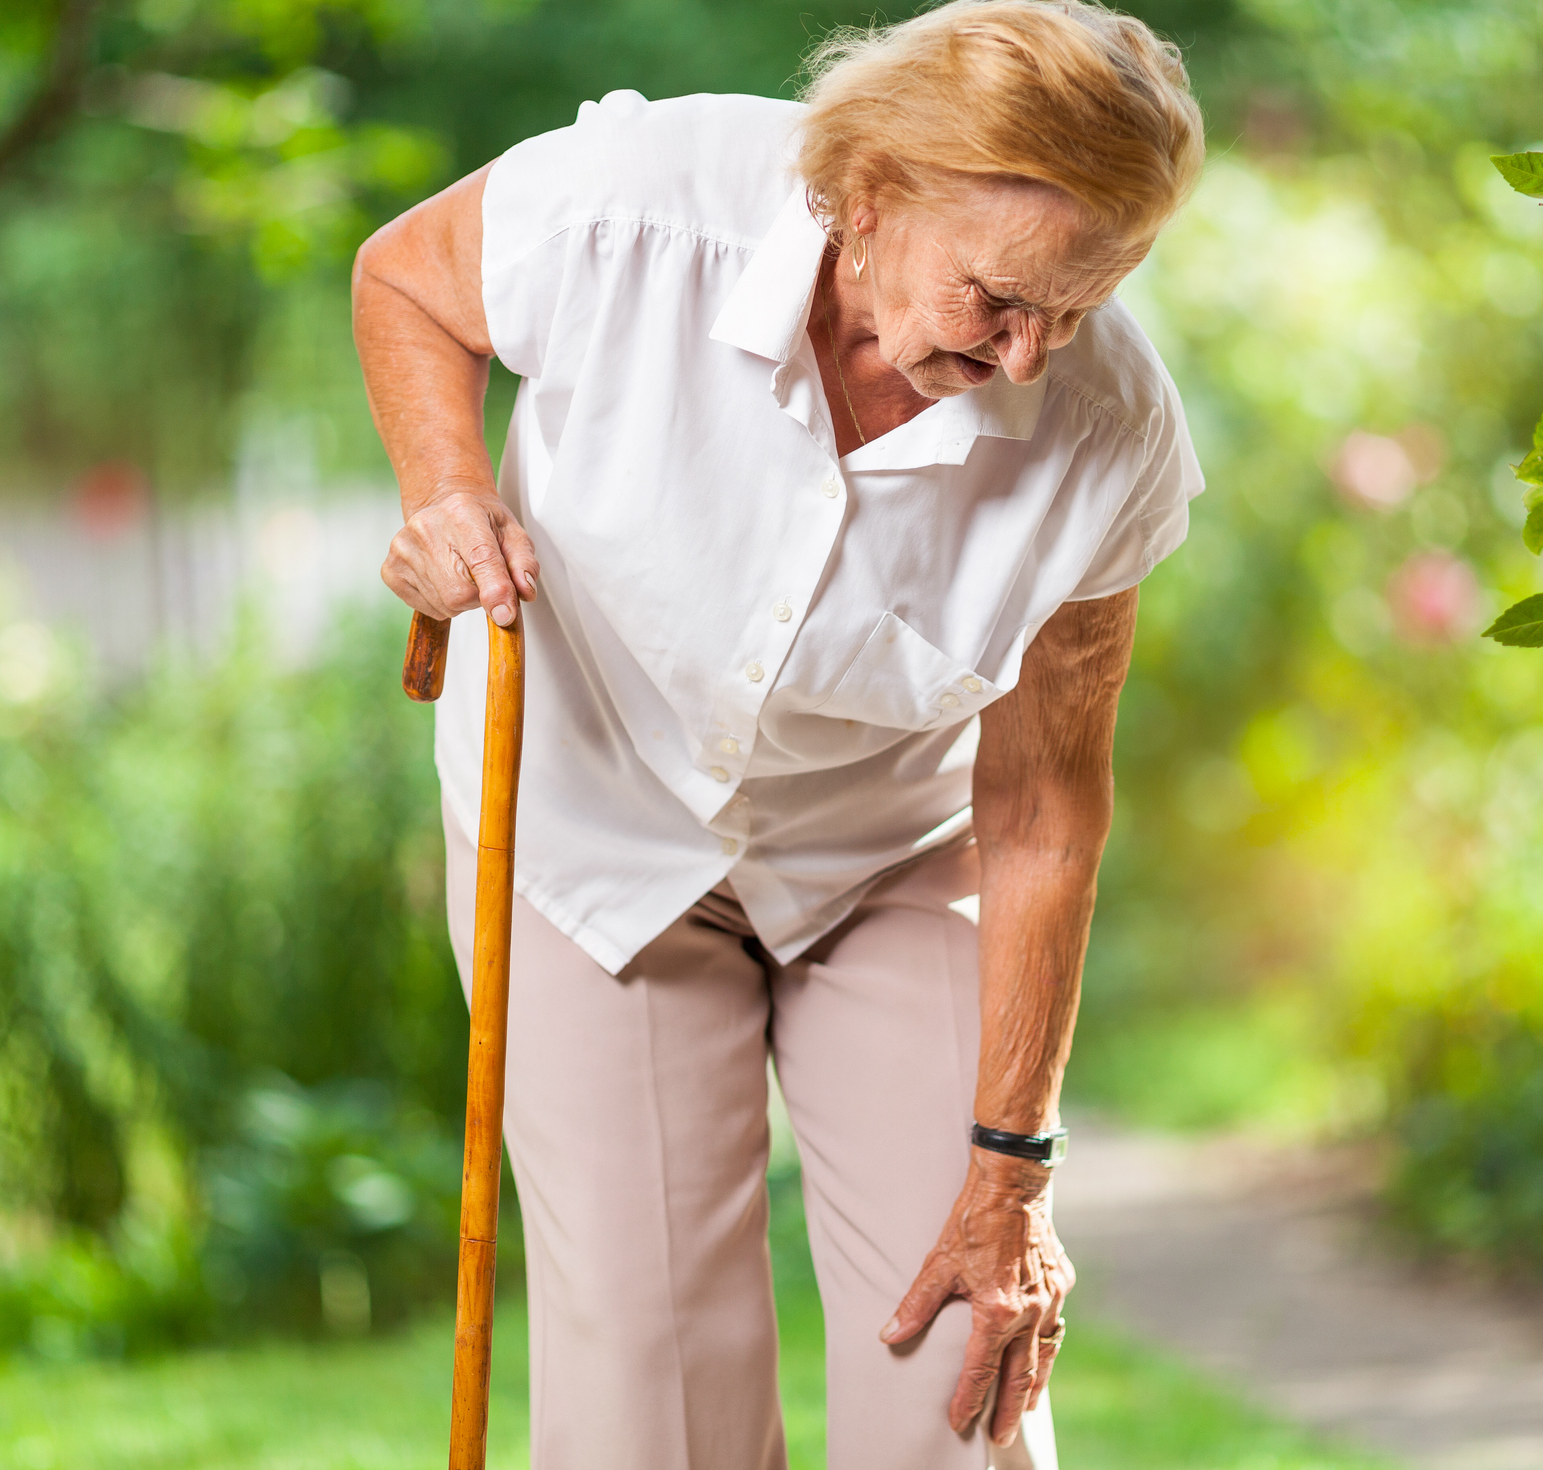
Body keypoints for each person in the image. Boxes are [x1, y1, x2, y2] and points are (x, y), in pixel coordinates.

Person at [352, 2, 1205, 1465]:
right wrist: (444, 488)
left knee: (960, 1361)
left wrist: (1015, 1171)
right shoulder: (635, 211)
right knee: (647, 1390)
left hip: (890, 854)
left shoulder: (1108, 433)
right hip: (588, 820)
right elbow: (406, 280)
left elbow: (1045, 813)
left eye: (1073, 309)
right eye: (997, 298)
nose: (1026, 359)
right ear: (869, 196)